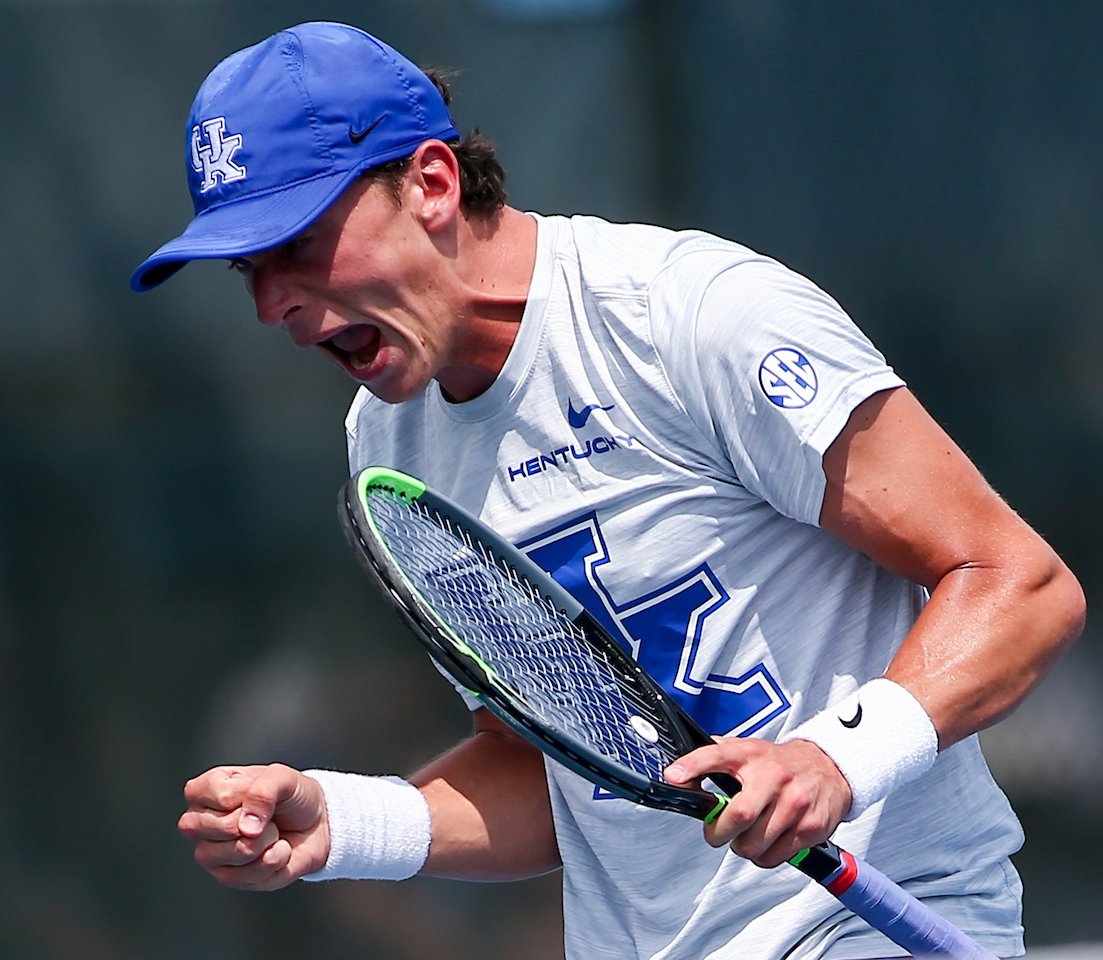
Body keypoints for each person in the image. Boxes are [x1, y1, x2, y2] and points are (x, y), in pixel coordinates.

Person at [133, 21, 1085, 960]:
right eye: (247, 270)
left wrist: (838, 758)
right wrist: (343, 823)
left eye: (297, 244)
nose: (272, 306)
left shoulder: (693, 316)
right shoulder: (389, 437)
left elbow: (1021, 583)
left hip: (874, 925)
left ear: (430, 183)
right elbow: (557, 774)